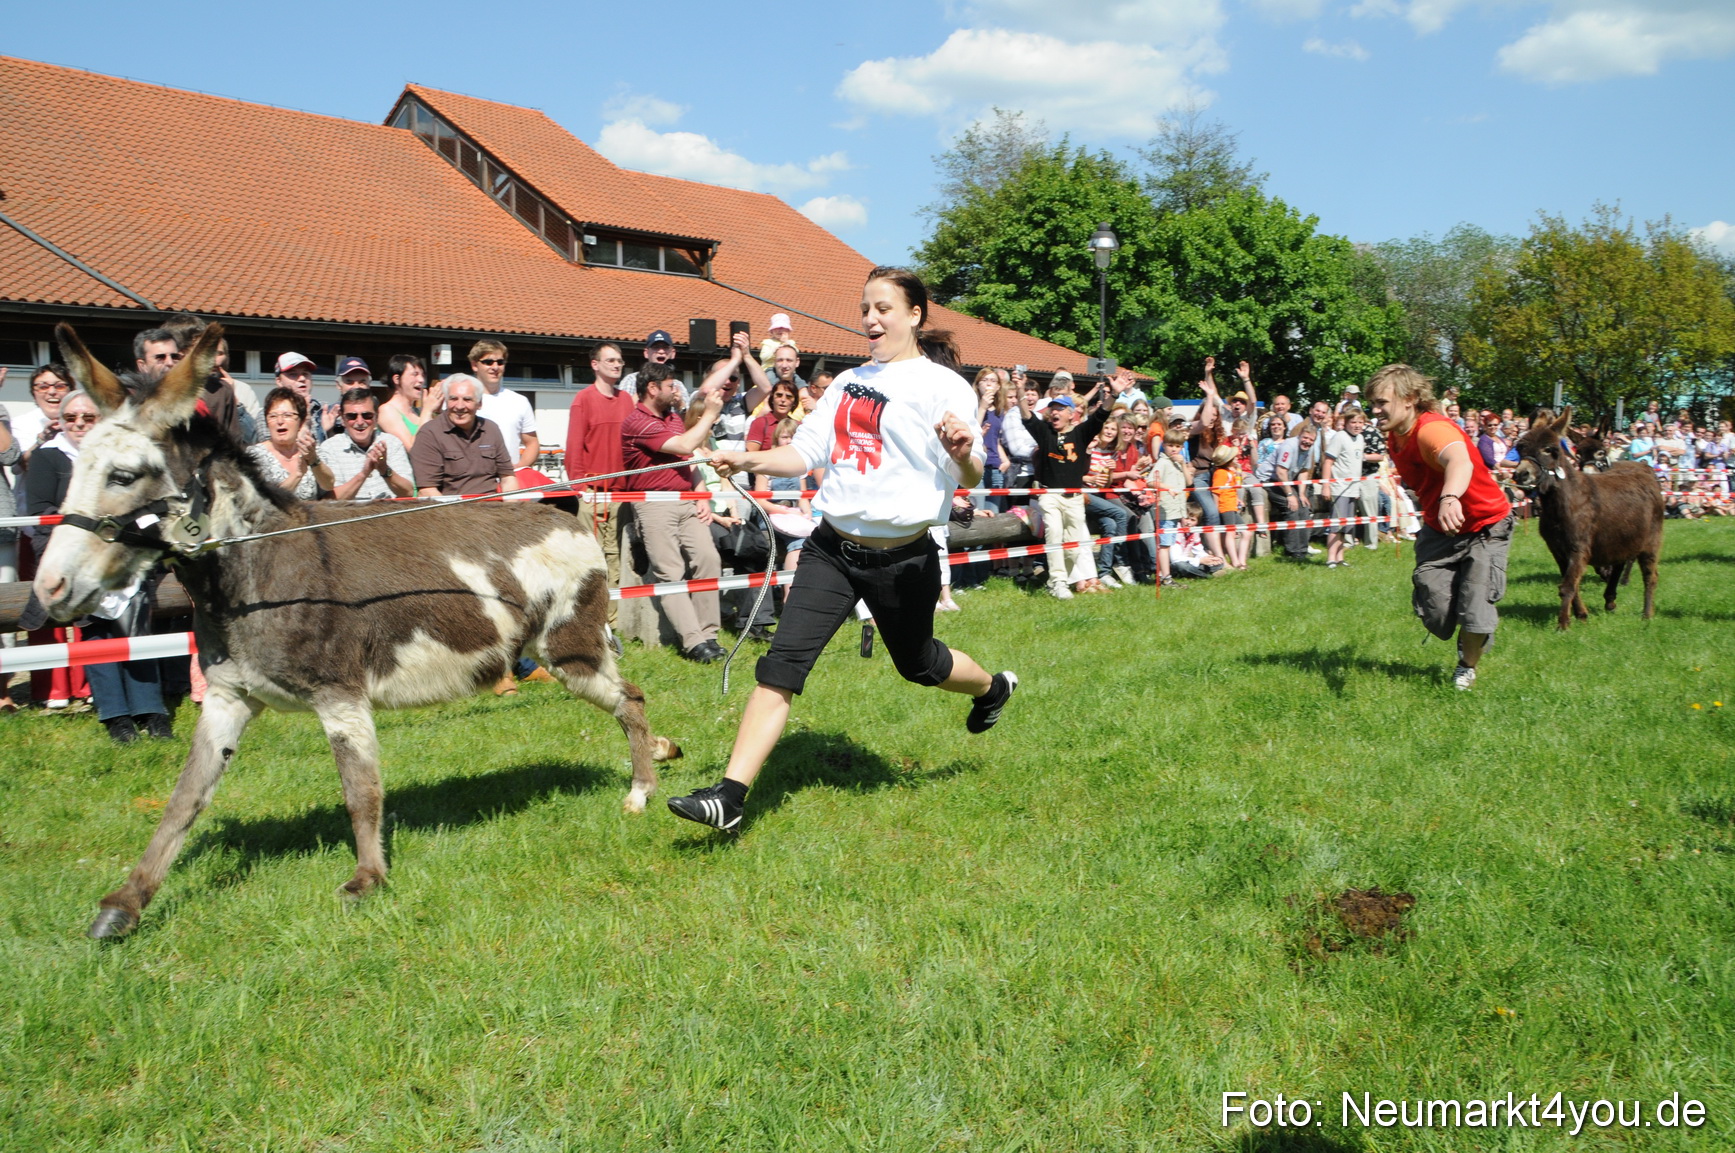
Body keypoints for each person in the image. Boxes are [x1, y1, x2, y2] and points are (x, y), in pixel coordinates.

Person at [664, 266, 1013, 835]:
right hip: (832, 550)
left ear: (915, 315)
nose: (871, 320)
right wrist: (745, 458)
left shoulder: (943, 386)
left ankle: (992, 687)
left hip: (905, 560)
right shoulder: (849, 383)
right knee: (782, 666)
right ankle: (728, 797)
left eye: (884, 309)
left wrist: (967, 451)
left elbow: (968, 476)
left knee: (920, 665)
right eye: (866, 310)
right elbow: (802, 456)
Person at [27, 391, 171, 737]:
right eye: (72, 418)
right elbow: (41, 511)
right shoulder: (49, 458)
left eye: (88, 418)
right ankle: (115, 714)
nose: (79, 424)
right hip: (73, 555)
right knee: (95, 632)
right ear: (61, 422)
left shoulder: (117, 457)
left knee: (137, 626)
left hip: (123, 550)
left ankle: (150, 709)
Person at [1367, 365, 1513, 691]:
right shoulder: (1395, 436)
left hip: (1485, 526)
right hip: (1440, 529)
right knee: (1434, 607)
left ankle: (1467, 664)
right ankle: (1473, 634)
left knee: (1474, 607)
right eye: (1372, 403)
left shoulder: (1431, 430)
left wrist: (1450, 497)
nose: (1374, 411)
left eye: (1380, 403)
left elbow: (1459, 460)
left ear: (1409, 399)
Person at [619, 362, 727, 664]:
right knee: (670, 573)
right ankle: (693, 643)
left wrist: (702, 493)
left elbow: (688, 458)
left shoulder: (672, 418)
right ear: (652, 388)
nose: (675, 390)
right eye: (670, 385)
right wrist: (710, 413)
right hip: (653, 504)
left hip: (686, 501)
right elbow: (686, 443)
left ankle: (709, 635)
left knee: (708, 559)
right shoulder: (637, 422)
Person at [409, 375, 520, 497]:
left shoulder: (491, 429)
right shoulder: (429, 433)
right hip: (450, 510)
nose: (460, 406)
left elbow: (508, 478)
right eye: (453, 399)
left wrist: (512, 508)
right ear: (446, 401)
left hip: (492, 509)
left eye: (467, 399)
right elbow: (427, 490)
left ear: (479, 404)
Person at [316, 388, 415, 500]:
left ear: (376, 418)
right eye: (352, 416)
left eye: (367, 415)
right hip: (350, 515)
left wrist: (384, 469)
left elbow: (408, 492)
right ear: (343, 419)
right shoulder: (330, 448)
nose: (360, 422)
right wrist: (363, 474)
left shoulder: (392, 443)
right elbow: (329, 500)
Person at [469, 339, 540, 469]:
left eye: (500, 362)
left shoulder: (519, 401)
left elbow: (532, 443)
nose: (495, 367)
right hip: (471, 482)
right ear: (474, 365)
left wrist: (518, 469)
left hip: (508, 483)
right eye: (488, 362)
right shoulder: (461, 401)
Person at [247, 387, 323, 499]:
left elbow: (329, 485)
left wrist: (314, 460)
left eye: (287, 415)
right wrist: (297, 475)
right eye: (273, 416)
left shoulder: (312, 449)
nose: (280, 421)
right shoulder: (254, 455)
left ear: (300, 421)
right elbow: (265, 501)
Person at [1322, 408, 1368, 569]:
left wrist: (1357, 489)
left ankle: (1340, 558)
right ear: (1346, 423)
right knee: (1336, 525)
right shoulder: (1339, 436)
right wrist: (1326, 485)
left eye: (1360, 422)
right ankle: (1331, 558)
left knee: (1346, 527)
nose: (1357, 425)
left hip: (1353, 489)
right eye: (1353, 422)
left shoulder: (1361, 438)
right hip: (1339, 488)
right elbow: (1328, 462)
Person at [378, 354, 437, 453]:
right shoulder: (387, 410)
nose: (421, 380)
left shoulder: (418, 413)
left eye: (422, 375)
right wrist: (427, 410)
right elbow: (412, 448)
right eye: (415, 374)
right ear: (397, 379)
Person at [273, 352, 328, 444]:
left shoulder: (324, 410)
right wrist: (305, 423)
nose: (302, 378)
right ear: (279, 381)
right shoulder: (269, 415)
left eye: (305, 373)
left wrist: (328, 432)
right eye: (293, 374)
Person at [746, 380, 801, 451]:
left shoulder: (799, 426)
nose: (783, 400)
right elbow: (750, 455)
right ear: (772, 399)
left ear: (794, 402)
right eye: (779, 395)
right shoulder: (760, 423)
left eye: (789, 397)